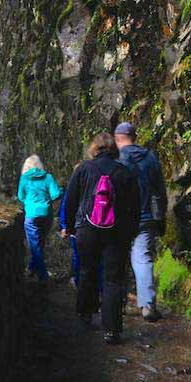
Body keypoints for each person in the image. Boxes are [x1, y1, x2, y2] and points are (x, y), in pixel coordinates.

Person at [63, 133, 140, 344]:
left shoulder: (84, 169)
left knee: (87, 271)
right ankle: (111, 330)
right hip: (116, 232)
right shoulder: (124, 172)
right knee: (113, 279)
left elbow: (70, 200)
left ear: (94, 148)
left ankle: (84, 315)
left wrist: (69, 227)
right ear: (114, 150)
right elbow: (135, 206)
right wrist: (131, 232)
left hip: (87, 230)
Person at [115, 122, 168, 322]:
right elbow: (160, 190)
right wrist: (160, 217)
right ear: (134, 136)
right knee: (142, 258)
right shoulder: (151, 158)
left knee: (117, 258)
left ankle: (116, 303)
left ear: (117, 138)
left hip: (121, 218)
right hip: (146, 217)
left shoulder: (117, 159)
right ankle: (147, 305)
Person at [17, 155, 63, 284]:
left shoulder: (24, 179)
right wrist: (61, 190)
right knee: (40, 243)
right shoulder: (48, 177)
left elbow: (20, 196)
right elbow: (55, 195)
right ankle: (32, 268)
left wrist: (29, 203)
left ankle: (43, 276)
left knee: (34, 247)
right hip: (46, 215)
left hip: (31, 215)